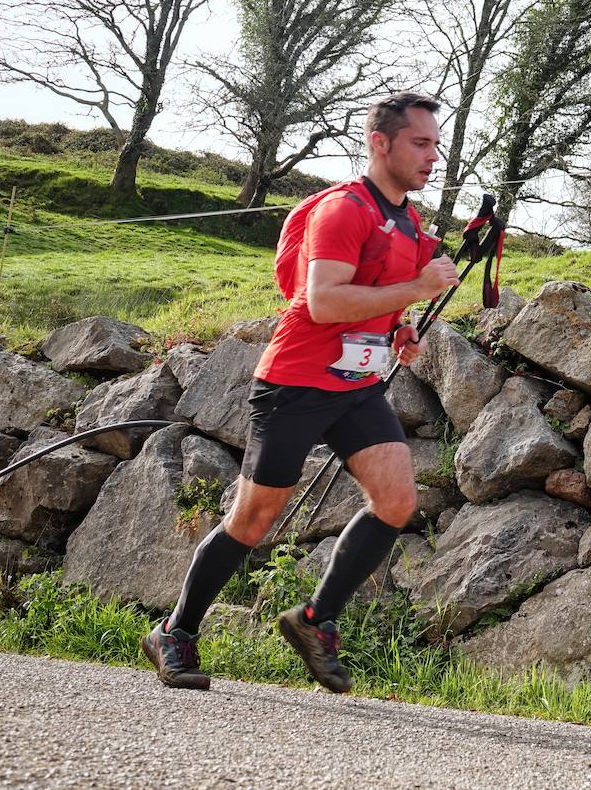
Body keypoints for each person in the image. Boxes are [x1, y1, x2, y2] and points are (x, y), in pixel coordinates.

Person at [141, 92, 458, 693]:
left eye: (435, 144)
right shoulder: (343, 210)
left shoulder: (408, 220)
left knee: (395, 500)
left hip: (356, 387)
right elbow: (323, 301)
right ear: (380, 142)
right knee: (254, 520)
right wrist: (417, 288)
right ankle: (175, 632)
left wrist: (401, 329)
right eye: (421, 143)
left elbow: (376, 295)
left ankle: (315, 620)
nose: (432, 156)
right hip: (294, 383)